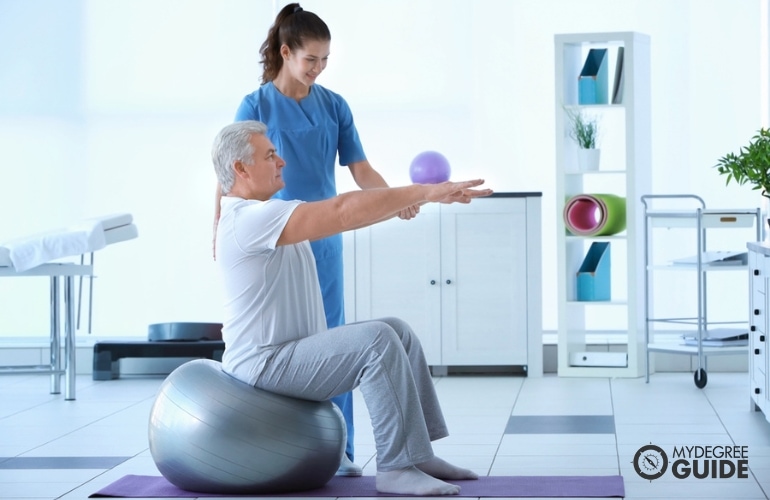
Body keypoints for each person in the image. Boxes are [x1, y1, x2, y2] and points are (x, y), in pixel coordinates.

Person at [212, 120, 490, 495]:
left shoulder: (266, 214)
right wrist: (424, 190)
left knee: (397, 331)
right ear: (240, 169)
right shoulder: (248, 219)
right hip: (263, 364)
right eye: (270, 155)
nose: (282, 162)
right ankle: (395, 468)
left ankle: (419, 454)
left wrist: (418, 199)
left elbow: (348, 218)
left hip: (288, 354)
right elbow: (342, 210)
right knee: (376, 340)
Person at [213, 3, 418, 474]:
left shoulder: (334, 105)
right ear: (285, 53)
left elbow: (360, 169)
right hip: (273, 238)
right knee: (288, 344)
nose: (318, 69)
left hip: (324, 238)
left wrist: (393, 198)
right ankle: (285, 444)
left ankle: (339, 451)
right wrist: (217, 229)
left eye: (325, 60)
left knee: (333, 342)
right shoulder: (256, 105)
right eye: (310, 60)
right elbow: (229, 172)